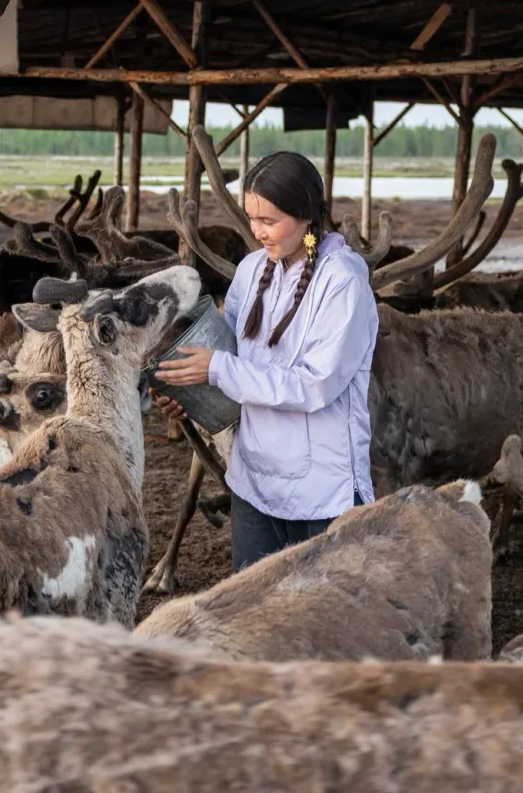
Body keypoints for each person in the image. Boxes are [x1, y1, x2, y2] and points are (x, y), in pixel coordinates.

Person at [153, 150, 380, 572]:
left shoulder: (342, 280)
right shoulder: (252, 270)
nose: (257, 231)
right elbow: (233, 357)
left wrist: (215, 369)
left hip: (321, 491)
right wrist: (191, 396)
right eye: (251, 218)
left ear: (307, 215)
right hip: (253, 485)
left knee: (321, 622)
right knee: (254, 622)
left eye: (269, 221)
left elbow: (315, 385)